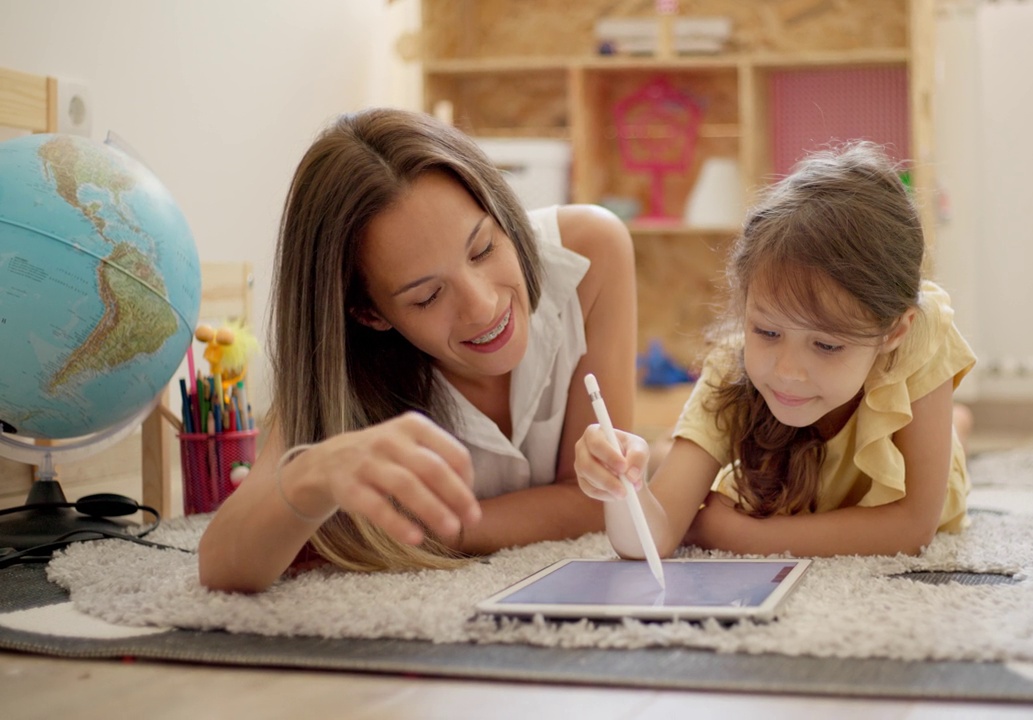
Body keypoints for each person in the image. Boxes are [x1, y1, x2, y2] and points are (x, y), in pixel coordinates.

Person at [199, 108, 637, 592]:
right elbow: (221, 564)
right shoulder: (342, 365)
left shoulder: (591, 252)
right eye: (427, 296)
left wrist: (426, 529)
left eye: (484, 248)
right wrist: (312, 477)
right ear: (368, 314)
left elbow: (601, 498)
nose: (484, 306)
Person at [575, 141, 976, 559]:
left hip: (905, 440)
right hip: (812, 482)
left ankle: (954, 426)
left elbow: (913, 528)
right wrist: (621, 485)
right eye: (766, 332)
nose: (786, 371)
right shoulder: (733, 365)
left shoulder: (919, 338)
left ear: (893, 332)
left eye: (826, 344)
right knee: (665, 461)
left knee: (947, 446)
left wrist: (727, 531)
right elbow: (647, 541)